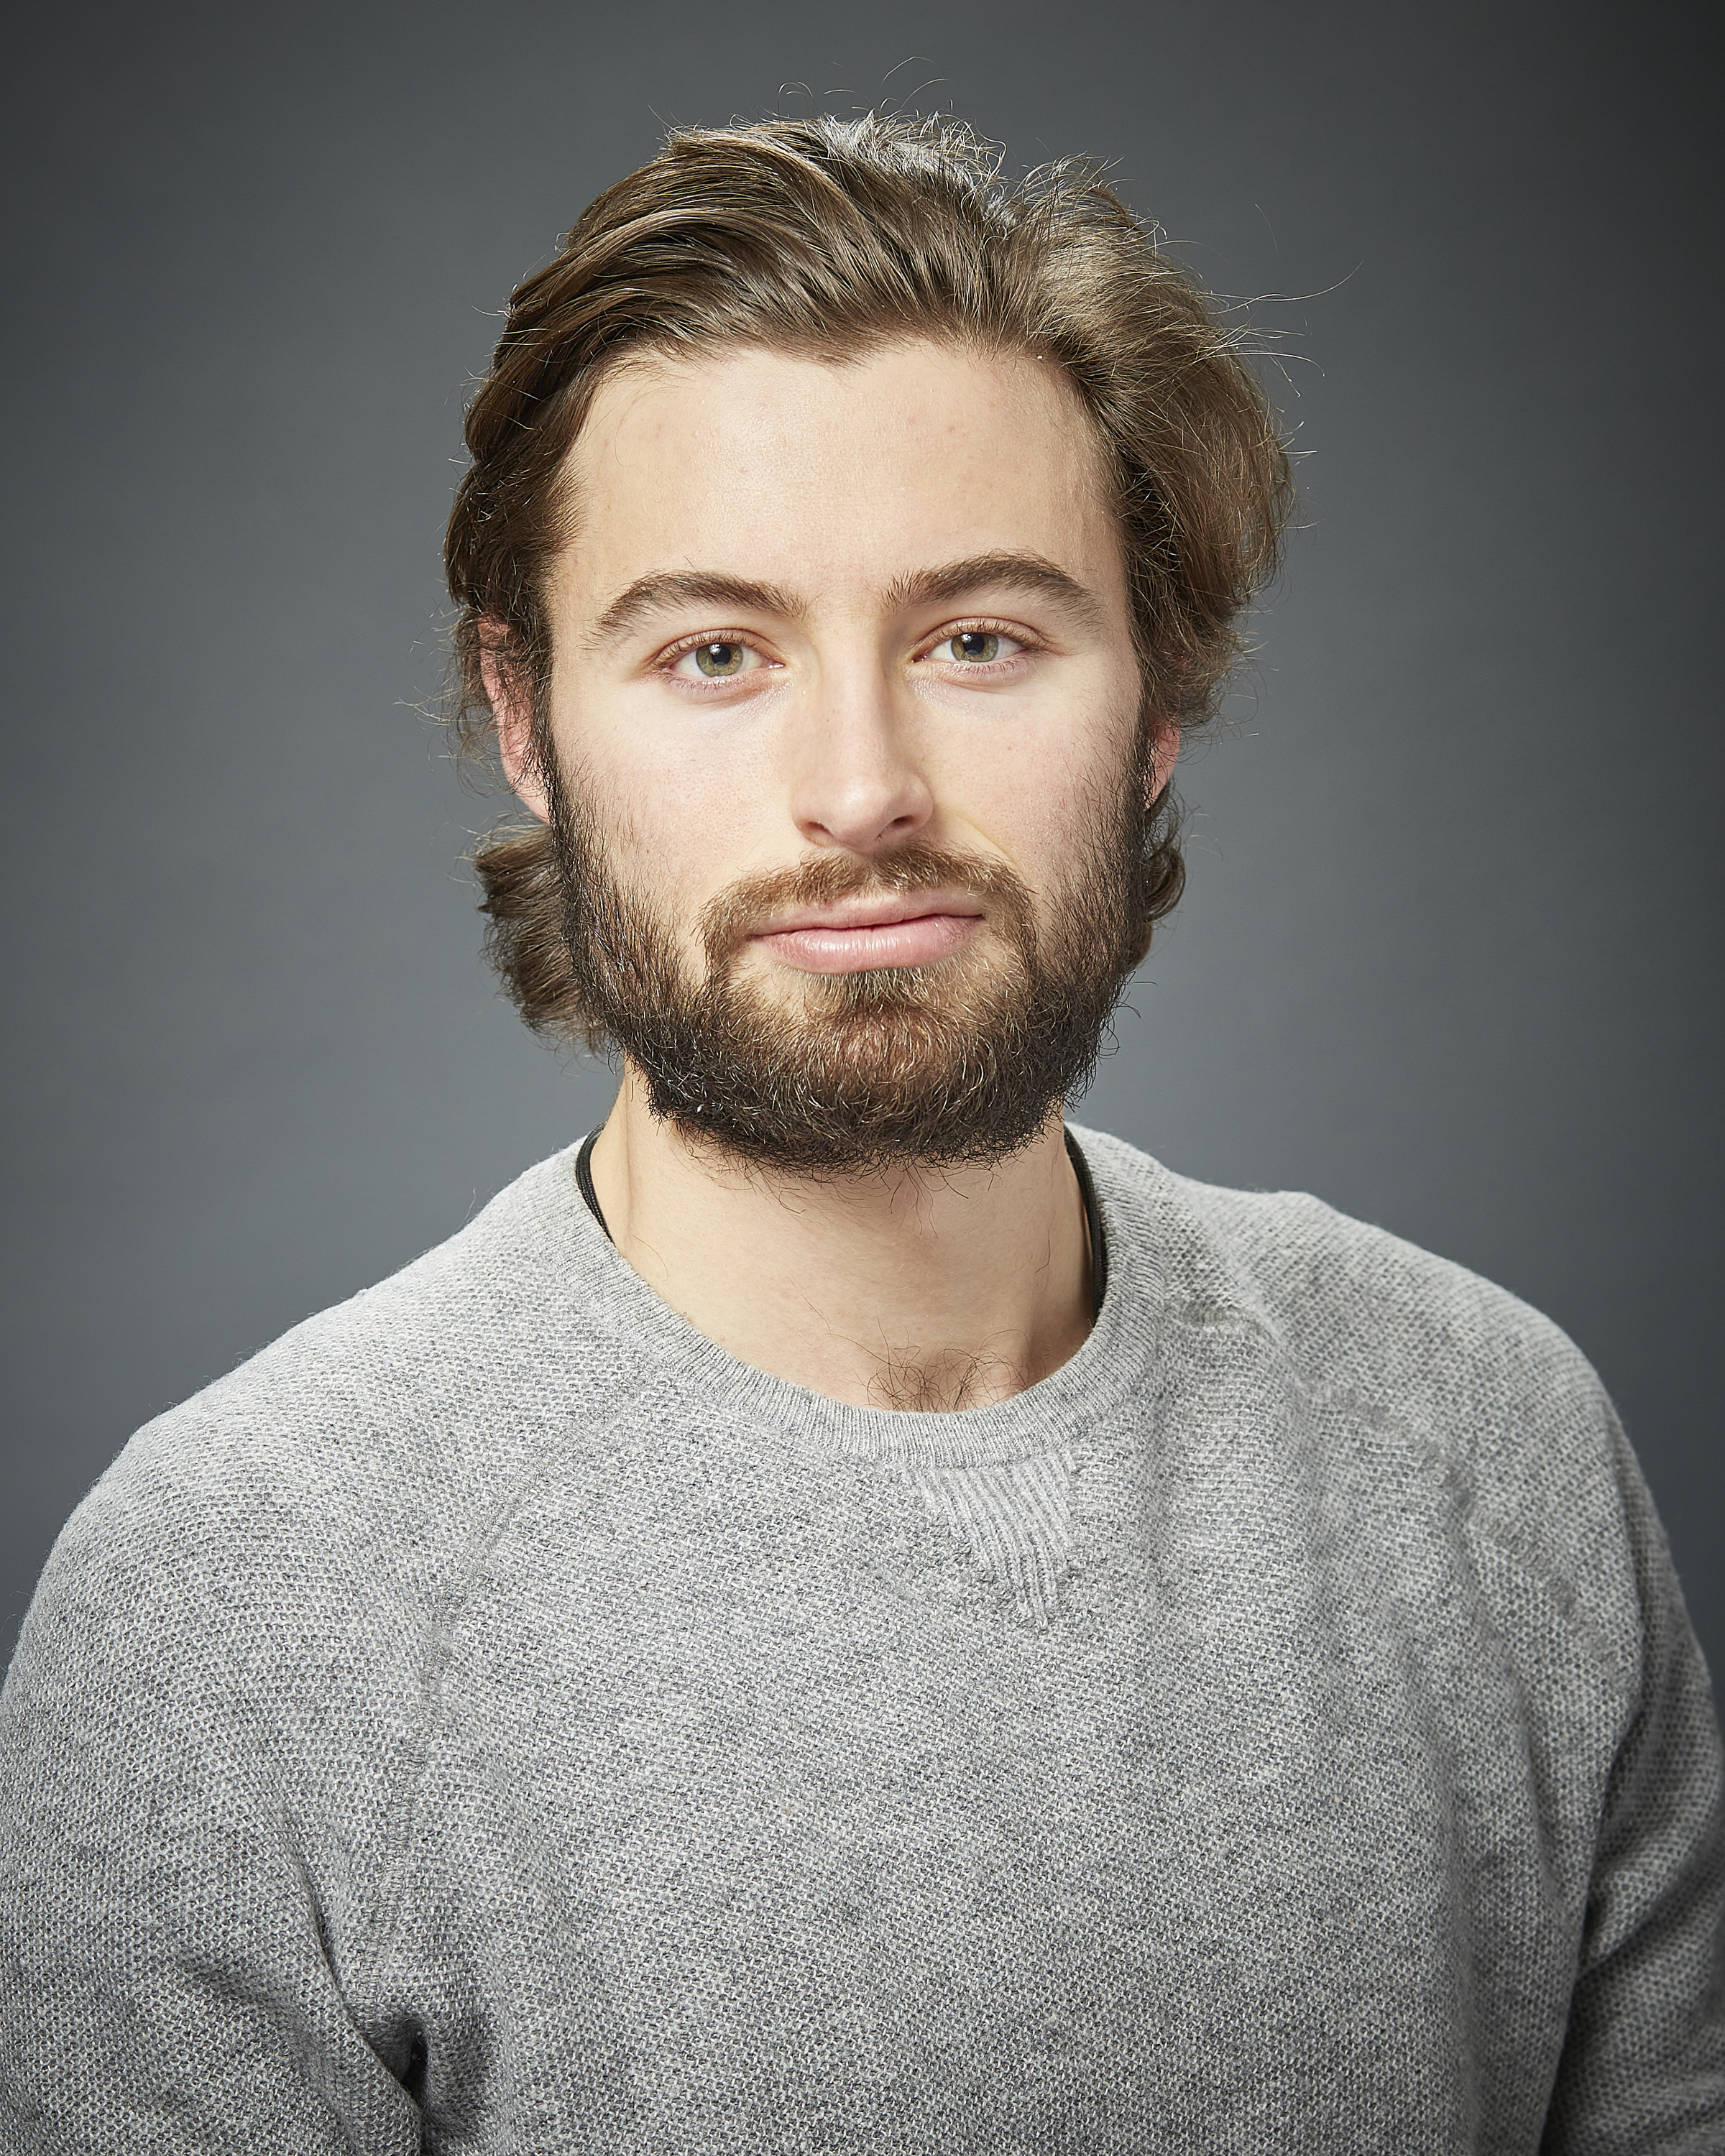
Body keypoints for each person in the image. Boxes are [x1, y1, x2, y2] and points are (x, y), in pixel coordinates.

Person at [0, 110, 1719, 2154]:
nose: (861, 788)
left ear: (1157, 698)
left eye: (977, 637)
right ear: (530, 717)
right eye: (715, 652)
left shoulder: (1493, 1446)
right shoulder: (229, 1604)